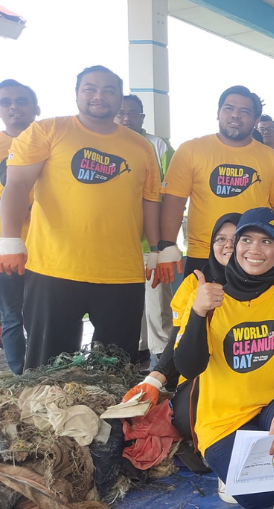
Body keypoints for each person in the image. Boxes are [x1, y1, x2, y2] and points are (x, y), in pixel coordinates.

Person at [0, 66, 162, 367]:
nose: (99, 96)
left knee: (116, 366)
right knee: (49, 368)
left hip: (121, 272)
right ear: (77, 93)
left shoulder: (141, 147)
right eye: (90, 88)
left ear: (119, 98)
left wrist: (158, 248)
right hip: (54, 269)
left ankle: (112, 417)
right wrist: (9, 240)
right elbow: (18, 184)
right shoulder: (47, 130)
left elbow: (151, 200)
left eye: (109, 90)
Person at [167, 207, 274, 509]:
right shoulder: (209, 295)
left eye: (267, 242)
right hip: (221, 420)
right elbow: (187, 367)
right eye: (246, 239)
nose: (255, 250)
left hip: (269, 408)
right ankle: (258, 470)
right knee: (256, 497)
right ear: (236, 246)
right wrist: (199, 313)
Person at [123, 212, 241, 444]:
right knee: (185, 420)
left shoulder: (272, 286)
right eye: (220, 239)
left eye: (237, 239)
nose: (228, 245)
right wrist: (154, 379)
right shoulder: (194, 284)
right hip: (207, 374)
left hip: (254, 376)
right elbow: (180, 337)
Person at [158, 85, 274, 282]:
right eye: (229, 108)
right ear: (218, 113)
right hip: (203, 254)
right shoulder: (191, 150)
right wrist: (167, 246)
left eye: (244, 111)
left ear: (257, 120)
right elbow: (174, 202)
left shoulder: (271, 158)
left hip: (254, 255)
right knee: (200, 312)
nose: (235, 115)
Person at [116, 94, 175, 367]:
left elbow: (171, 192)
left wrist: (164, 241)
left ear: (142, 117)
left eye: (132, 113)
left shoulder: (158, 145)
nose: (126, 117)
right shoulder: (106, 143)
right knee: (127, 301)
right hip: (116, 242)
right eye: (121, 113)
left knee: (157, 301)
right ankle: (136, 351)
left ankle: (162, 356)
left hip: (151, 241)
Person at [0, 79, 39, 375]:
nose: (14, 107)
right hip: (8, 248)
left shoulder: (51, 142)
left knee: (49, 315)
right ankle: (21, 378)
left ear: (35, 108)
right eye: (6, 102)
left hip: (49, 248)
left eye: (21, 100)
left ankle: (51, 375)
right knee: (12, 316)